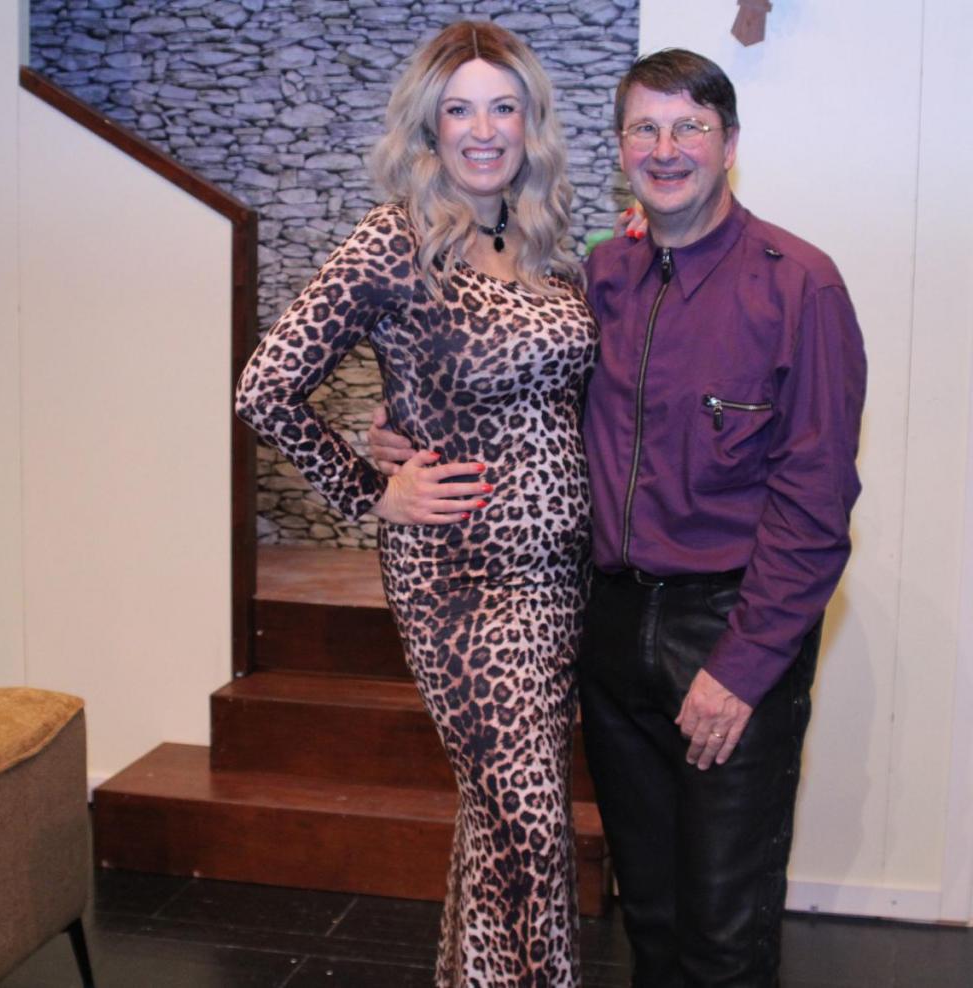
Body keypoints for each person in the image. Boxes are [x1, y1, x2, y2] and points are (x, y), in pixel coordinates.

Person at [371, 48, 867, 988]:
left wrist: (741, 669)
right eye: (645, 128)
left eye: (690, 128)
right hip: (606, 627)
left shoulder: (800, 286)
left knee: (724, 934)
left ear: (729, 145)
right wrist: (397, 432)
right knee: (649, 914)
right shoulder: (598, 276)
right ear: (620, 146)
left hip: (727, 632)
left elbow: (816, 507)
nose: (666, 148)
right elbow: (515, 389)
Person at [235, 21, 598, 988]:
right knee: (532, 821)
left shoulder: (545, 241)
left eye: (503, 107)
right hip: (461, 578)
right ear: (429, 125)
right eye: (459, 109)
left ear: (530, 121)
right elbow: (265, 388)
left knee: (499, 821)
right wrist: (371, 490)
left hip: (560, 580)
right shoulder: (393, 240)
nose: (483, 129)